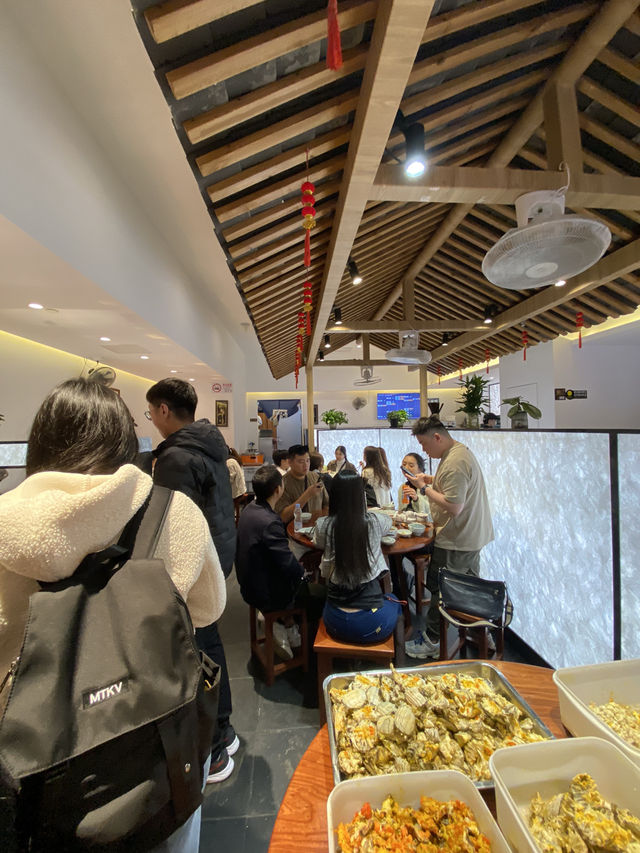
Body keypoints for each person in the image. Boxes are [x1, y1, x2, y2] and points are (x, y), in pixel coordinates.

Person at [0, 378, 225, 851]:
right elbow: (209, 609)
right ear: (126, 443)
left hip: (32, 777)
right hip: (161, 751)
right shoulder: (173, 512)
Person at [146, 378, 237, 784]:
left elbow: (171, 525)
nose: (152, 418)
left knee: (195, 653)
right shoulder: (209, 446)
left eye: (151, 411)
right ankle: (224, 731)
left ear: (164, 410)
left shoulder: (177, 457)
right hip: (215, 558)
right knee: (209, 643)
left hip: (194, 566)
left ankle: (213, 748)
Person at [403, 416, 494, 660]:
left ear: (437, 437)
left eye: (424, 444)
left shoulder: (455, 462)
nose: (424, 450)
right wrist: (430, 480)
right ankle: (481, 633)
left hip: (458, 538)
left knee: (443, 589)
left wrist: (424, 489)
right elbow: (453, 485)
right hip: (468, 535)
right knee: (467, 587)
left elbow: (454, 506)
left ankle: (432, 641)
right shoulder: (456, 453)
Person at [236, 465, 326, 659]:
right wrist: (304, 576)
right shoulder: (270, 521)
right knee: (322, 595)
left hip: (248, 583)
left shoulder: (250, 509)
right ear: (278, 489)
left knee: (298, 575)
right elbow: (287, 564)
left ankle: (287, 625)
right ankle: (284, 626)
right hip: (265, 592)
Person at [312, 472, 400, 644]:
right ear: (361, 496)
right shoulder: (375, 522)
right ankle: (398, 655)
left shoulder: (324, 525)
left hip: (334, 621)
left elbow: (317, 542)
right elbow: (388, 522)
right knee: (395, 601)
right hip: (371, 624)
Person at [275, 444, 329, 523]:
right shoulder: (283, 483)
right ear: (290, 462)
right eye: (301, 462)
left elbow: (326, 504)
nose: (306, 465)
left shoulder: (315, 477)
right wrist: (307, 495)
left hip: (317, 525)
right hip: (295, 527)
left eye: (308, 460)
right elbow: (283, 517)